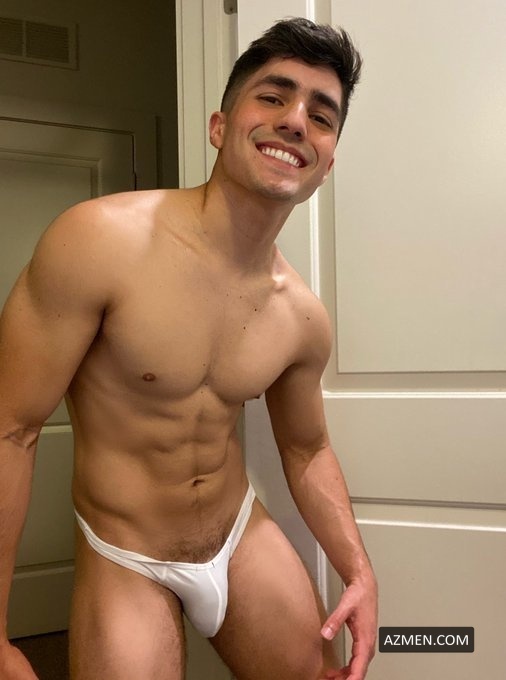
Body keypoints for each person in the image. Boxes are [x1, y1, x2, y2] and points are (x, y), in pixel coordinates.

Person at [0, 16, 377, 680]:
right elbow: (12, 429)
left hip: (237, 534)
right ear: (219, 126)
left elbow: (307, 449)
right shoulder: (98, 242)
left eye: (321, 116)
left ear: (328, 162)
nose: (296, 121)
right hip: (124, 551)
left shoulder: (301, 318)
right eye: (273, 96)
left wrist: (358, 570)